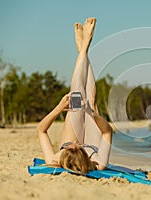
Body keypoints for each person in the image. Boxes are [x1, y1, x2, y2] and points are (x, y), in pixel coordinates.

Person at [37, 18, 113, 173]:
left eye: (68, 146)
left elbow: (41, 130)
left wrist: (60, 108)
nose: (76, 141)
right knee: (91, 102)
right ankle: (83, 48)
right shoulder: (98, 162)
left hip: (74, 149)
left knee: (76, 97)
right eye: (77, 146)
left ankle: (83, 47)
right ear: (85, 158)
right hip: (94, 146)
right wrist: (90, 112)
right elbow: (107, 132)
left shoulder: (55, 159)